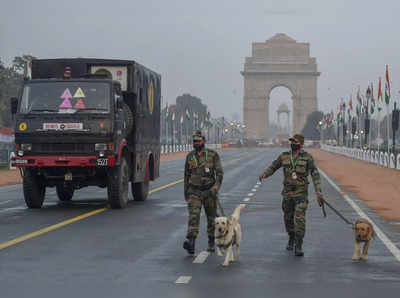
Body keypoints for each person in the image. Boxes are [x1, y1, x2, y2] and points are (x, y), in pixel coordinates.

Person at [258, 134, 323, 256]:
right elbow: (273, 167)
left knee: (299, 219)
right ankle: (291, 237)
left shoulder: (307, 157)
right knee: (288, 219)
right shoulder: (284, 156)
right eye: (292, 141)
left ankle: (299, 244)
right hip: (287, 193)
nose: (293, 143)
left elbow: (315, 173)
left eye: (295, 142)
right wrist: (264, 174)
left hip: (301, 194)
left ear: (301, 144)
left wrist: (318, 190)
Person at [183, 130, 224, 255]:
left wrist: (216, 186)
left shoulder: (212, 155)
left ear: (204, 141)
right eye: (194, 141)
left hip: (209, 192)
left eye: (198, 141)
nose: (196, 143)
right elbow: (186, 175)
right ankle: (191, 243)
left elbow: (219, 173)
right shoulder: (190, 156)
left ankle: (211, 242)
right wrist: (186, 192)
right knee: (193, 217)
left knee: (211, 219)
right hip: (194, 192)